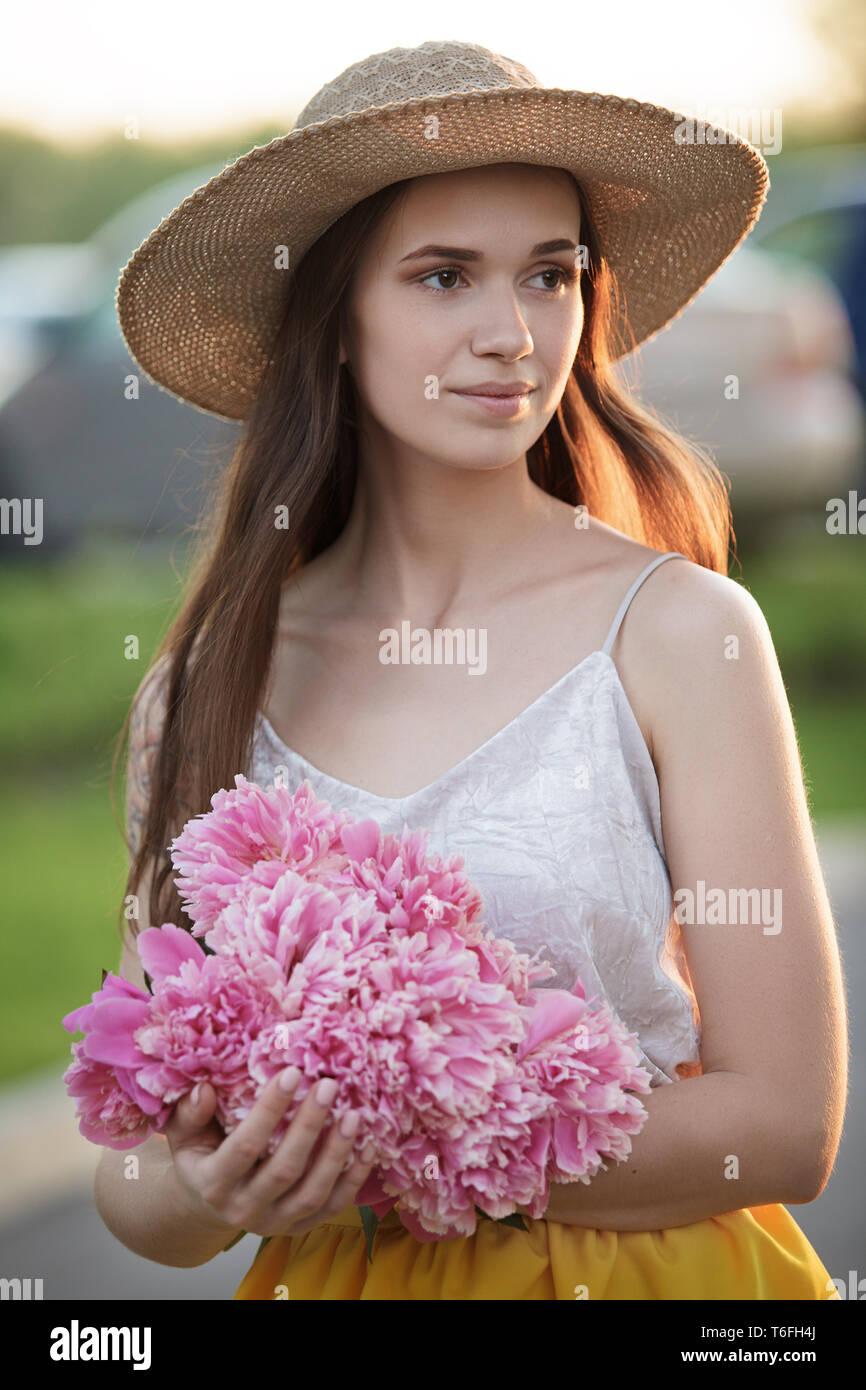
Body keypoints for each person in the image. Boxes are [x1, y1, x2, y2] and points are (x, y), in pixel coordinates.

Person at [96, 40, 847, 1300]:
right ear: (331, 320)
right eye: (443, 276)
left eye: (549, 275)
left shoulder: (681, 634)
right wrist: (203, 1187)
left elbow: (783, 1122)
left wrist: (399, 1132)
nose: (510, 334)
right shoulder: (202, 686)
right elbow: (135, 1148)